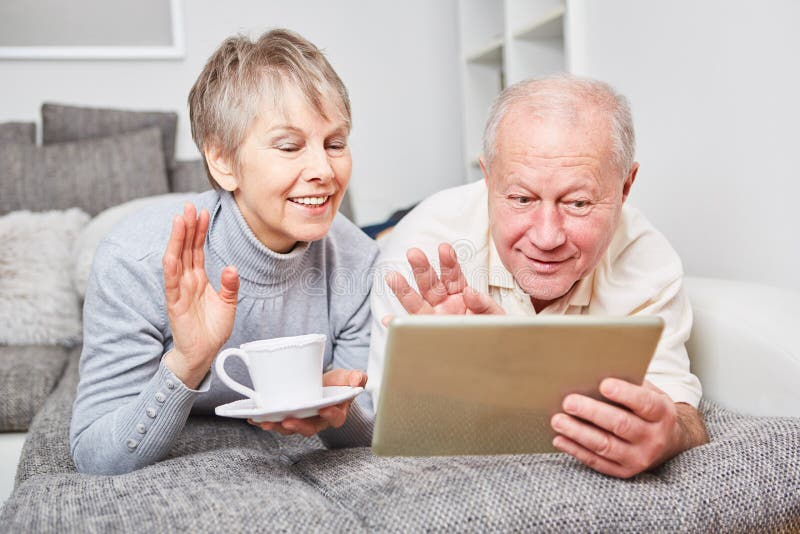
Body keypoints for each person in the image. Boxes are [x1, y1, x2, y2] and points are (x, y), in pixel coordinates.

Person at [368, 75, 709, 479]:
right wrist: (440, 376)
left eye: (578, 203)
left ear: (625, 186)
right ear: (488, 178)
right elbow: (388, 432)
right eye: (521, 198)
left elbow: (682, 412)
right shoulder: (421, 252)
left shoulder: (648, 261)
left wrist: (672, 434)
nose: (547, 237)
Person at [70, 29, 377, 475]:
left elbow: (370, 431)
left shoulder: (358, 263)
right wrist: (187, 363)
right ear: (223, 162)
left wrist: (339, 410)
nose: (324, 170)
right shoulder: (133, 259)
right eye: (289, 146)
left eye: (335, 143)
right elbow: (93, 455)